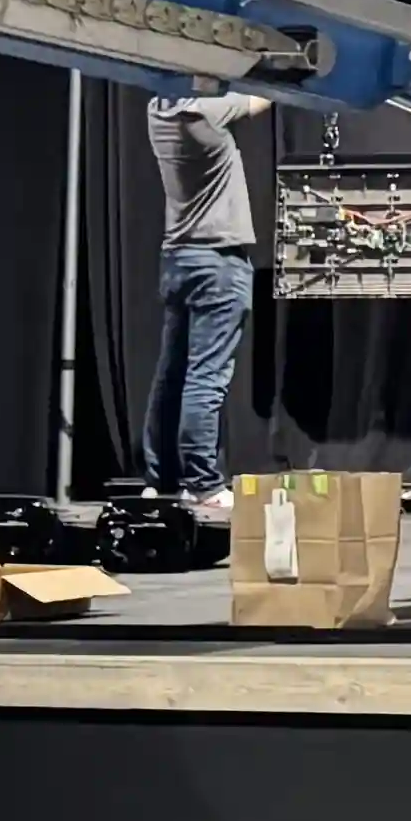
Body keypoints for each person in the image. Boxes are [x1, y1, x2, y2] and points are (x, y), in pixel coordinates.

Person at [144, 90, 274, 510]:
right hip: (218, 261)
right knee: (206, 377)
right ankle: (202, 482)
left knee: (172, 376)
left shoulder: (157, 109)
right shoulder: (206, 111)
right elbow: (264, 97)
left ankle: (162, 478)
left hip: (179, 259)